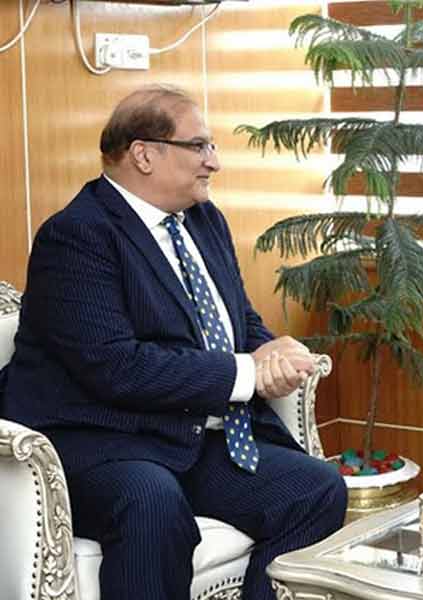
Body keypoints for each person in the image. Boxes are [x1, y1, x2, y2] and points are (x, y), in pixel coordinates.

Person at [0, 85, 347, 600]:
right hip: (96, 437)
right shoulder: (77, 236)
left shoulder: (204, 220)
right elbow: (116, 368)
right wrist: (247, 373)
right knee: (151, 502)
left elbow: (235, 319)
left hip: (183, 431)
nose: (214, 162)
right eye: (200, 146)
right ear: (145, 153)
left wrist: (273, 354)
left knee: (315, 489)